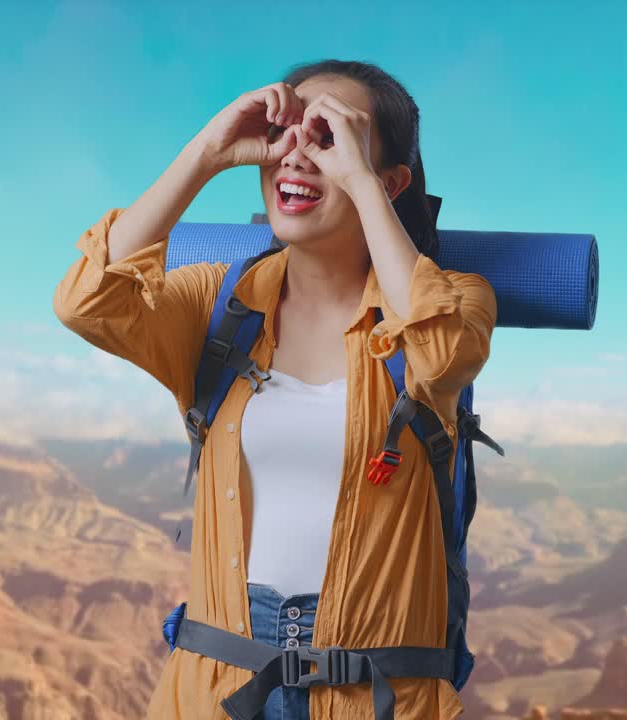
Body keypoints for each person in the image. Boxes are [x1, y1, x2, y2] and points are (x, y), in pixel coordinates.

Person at [53, 59, 497, 720]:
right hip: (214, 693)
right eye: (288, 132)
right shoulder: (215, 307)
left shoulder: (455, 300)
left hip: (376, 701)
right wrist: (207, 152)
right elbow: (89, 301)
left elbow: (438, 352)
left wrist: (362, 184)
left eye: (330, 138)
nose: (297, 157)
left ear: (391, 179)